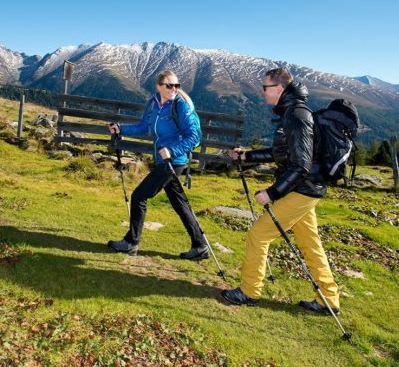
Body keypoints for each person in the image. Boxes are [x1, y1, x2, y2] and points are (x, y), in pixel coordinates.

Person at [222, 67, 341, 315]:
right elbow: (281, 154)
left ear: (280, 88)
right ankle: (329, 300)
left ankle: (249, 291)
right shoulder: (290, 113)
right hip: (306, 189)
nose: (262, 91)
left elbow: (300, 165)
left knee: (258, 233)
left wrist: (273, 192)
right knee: (311, 244)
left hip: (302, 190)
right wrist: (247, 156)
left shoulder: (296, 116)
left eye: (265, 87)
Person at [107, 70, 208, 260]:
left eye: (177, 85)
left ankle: (131, 242)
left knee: (139, 195)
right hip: (163, 160)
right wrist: (122, 129)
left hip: (173, 162)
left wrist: (172, 150)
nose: (174, 89)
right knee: (180, 205)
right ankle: (200, 245)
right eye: (169, 85)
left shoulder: (181, 106)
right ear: (159, 86)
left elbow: (195, 137)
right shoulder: (153, 103)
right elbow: (144, 127)